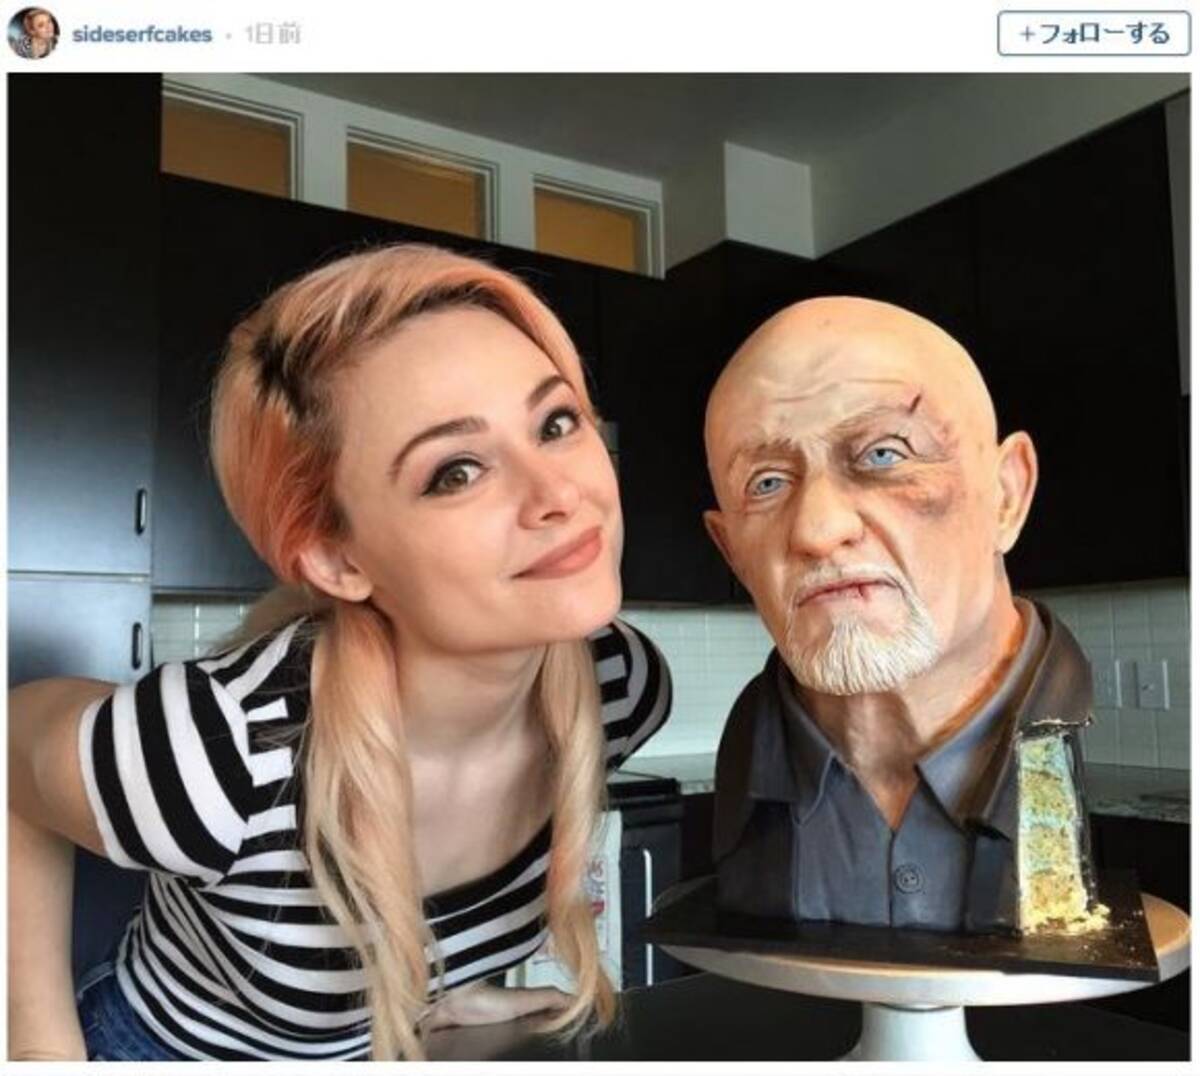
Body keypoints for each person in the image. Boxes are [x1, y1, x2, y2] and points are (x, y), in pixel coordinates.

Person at [9, 245, 672, 1061]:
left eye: (556, 424)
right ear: (337, 558)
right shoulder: (221, 755)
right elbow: (11, 751)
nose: (559, 495)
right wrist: (38, 1050)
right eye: (457, 471)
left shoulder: (618, 686)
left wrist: (440, 988)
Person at [703, 296, 1092, 932]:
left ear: (1006, 495)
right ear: (733, 554)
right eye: (767, 483)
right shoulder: (746, 771)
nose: (818, 530)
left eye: (884, 454)